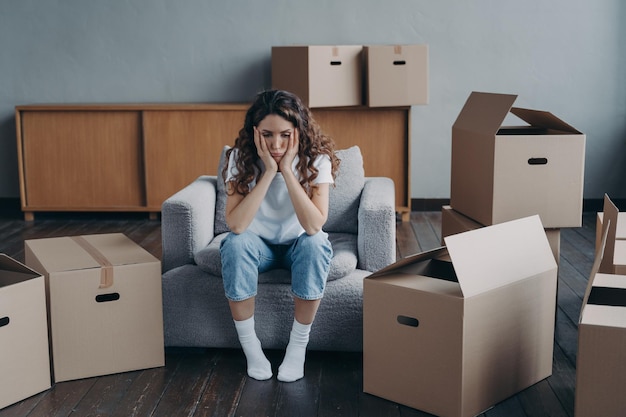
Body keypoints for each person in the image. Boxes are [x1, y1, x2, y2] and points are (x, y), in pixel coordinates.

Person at [220, 89, 340, 382]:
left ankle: (297, 349)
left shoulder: (317, 159)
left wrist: (286, 170)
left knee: (315, 244)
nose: (276, 144)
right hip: (258, 247)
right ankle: (252, 349)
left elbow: (314, 225)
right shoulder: (239, 158)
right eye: (268, 134)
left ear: (299, 130)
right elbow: (236, 225)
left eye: (285, 134)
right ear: (255, 132)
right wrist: (268, 173)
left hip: (298, 246)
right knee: (234, 244)